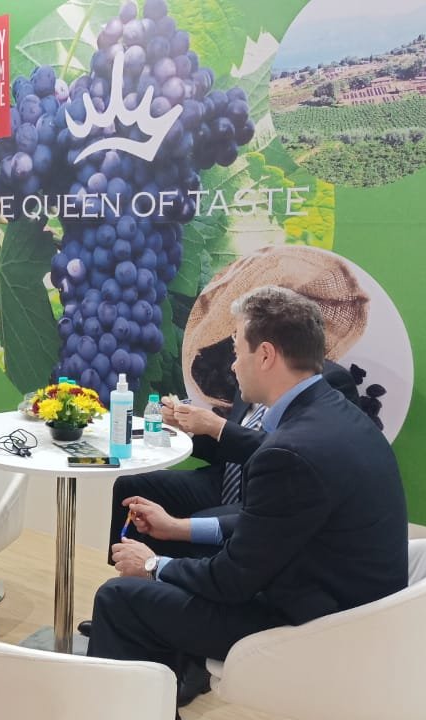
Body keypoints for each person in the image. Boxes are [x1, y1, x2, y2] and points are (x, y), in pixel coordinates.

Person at [86, 286, 408, 707]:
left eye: (237, 351)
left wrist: (151, 564)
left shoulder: (290, 451)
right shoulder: (335, 414)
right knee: (164, 572)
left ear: (266, 355)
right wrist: (179, 529)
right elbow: (273, 520)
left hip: (313, 624)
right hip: (348, 606)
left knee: (118, 598)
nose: (234, 365)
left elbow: (231, 581)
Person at [102, 360, 360, 563]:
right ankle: (123, 581)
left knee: (195, 523)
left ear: (268, 350)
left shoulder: (329, 383)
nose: (235, 363)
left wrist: (218, 427)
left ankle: (166, 588)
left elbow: (289, 455)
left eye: (242, 342)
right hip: (224, 480)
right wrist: (190, 428)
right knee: (132, 488)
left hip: (264, 494)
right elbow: (227, 448)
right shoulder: (247, 372)